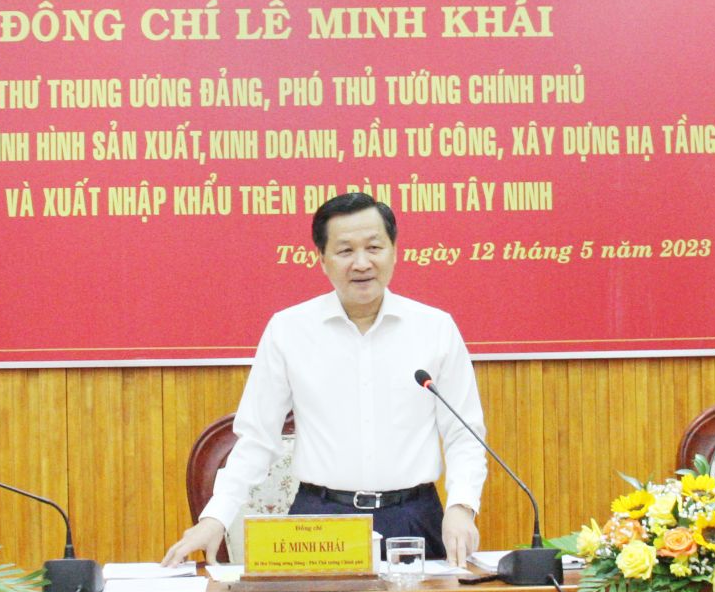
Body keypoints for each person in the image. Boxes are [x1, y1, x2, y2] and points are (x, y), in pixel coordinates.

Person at [161, 192, 489, 568]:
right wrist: (215, 518)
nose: (361, 263)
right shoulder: (289, 330)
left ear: (394, 251)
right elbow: (256, 439)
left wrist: (462, 506)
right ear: (322, 259)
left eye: (374, 247)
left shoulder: (435, 329)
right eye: (345, 250)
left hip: (413, 516)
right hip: (319, 520)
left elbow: (465, 435)